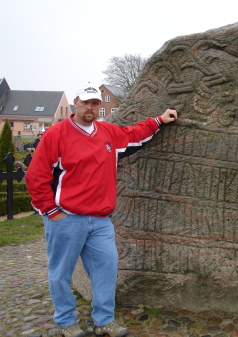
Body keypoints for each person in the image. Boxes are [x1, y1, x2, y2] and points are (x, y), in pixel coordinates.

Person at [26, 82, 178, 337]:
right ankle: (65, 322)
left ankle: (104, 320)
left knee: (106, 269)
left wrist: (158, 120)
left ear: (99, 106)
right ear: (76, 102)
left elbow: (133, 135)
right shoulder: (57, 134)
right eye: (86, 102)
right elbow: (36, 176)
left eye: (95, 103)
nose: (90, 107)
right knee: (61, 273)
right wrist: (51, 211)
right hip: (66, 219)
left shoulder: (107, 132)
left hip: (100, 220)